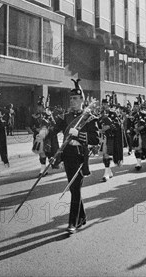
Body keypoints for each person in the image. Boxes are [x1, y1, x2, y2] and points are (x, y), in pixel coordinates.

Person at [52, 79, 99, 233]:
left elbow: (95, 139)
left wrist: (79, 134)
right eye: (71, 98)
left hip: (80, 156)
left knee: (75, 188)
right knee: (74, 189)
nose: (72, 101)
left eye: (75, 98)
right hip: (68, 156)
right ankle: (82, 216)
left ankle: (73, 222)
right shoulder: (65, 117)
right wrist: (43, 133)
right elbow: (54, 130)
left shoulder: (89, 117)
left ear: (82, 100)